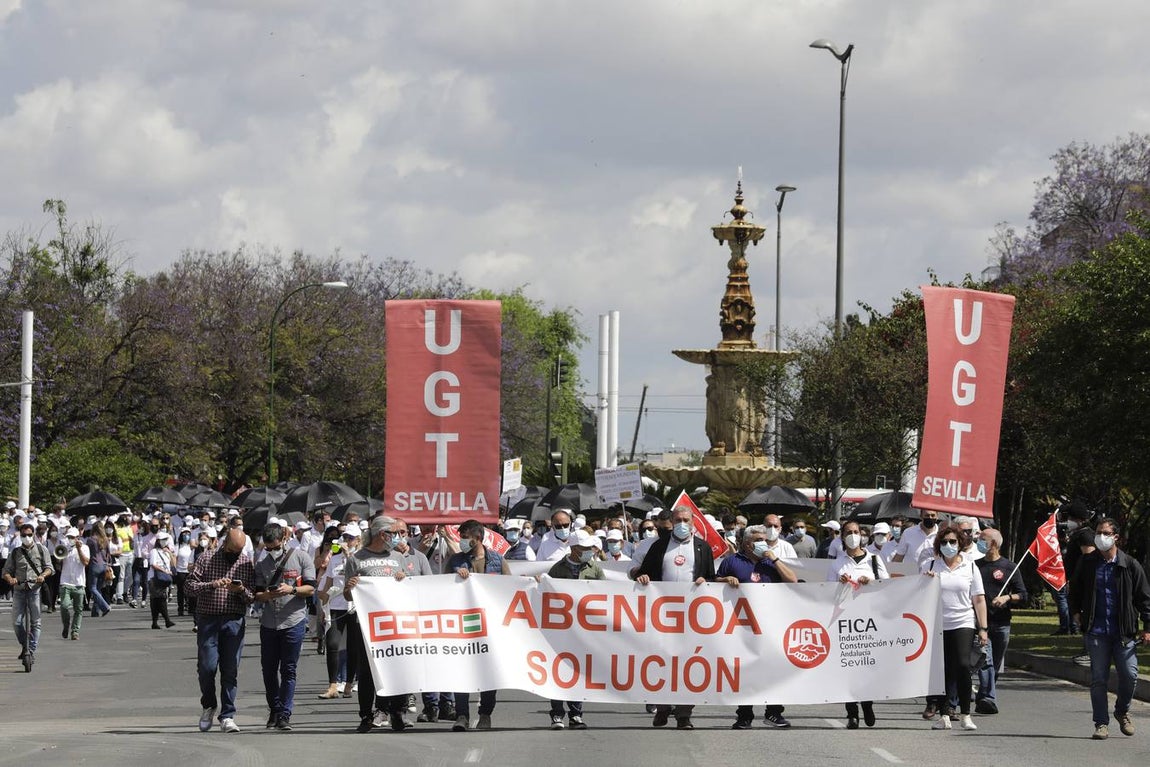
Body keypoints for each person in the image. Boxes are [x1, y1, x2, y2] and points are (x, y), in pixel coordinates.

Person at [633, 505, 716, 729]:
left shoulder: (702, 547)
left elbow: (711, 578)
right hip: (662, 615)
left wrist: (705, 582)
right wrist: (643, 578)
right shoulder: (659, 546)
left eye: (686, 520)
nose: (681, 524)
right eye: (678, 520)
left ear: (693, 523)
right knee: (661, 662)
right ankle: (662, 708)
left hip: (692, 617)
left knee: (689, 664)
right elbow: (643, 573)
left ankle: (684, 714)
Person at [1068, 517, 1150, 740]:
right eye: (1098, 532)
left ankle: (1122, 711)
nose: (1100, 537)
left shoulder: (1130, 564)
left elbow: (1144, 598)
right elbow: (1074, 588)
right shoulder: (1088, 562)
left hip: (1124, 632)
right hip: (1096, 631)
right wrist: (1075, 611)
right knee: (1099, 679)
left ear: (1116, 537)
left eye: (1105, 533)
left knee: (1130, 675)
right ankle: (1101, 723)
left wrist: (1147, 627)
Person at [718, 524, 797, 729]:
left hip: (770, 626)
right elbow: (712, 583)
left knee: (772, 669)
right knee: (745, 671)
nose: (763, 543)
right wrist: (725, 579)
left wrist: (774, 559)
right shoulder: (732, 562)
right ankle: (744, 715)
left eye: (764, 539)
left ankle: (773, 712)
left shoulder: (770, 563)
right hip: (740, 627)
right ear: (746, 544)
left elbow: (793, 580)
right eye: (758, 540)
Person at [344, 515, 417, 733]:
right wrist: (350, 586)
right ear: (381, 534)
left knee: (397, 667)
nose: (397, 537)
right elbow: (348, 596)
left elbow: (411, 588)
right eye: (393, 533)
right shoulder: (357, 558)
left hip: (395, 622)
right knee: (366, 671)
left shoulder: (398, 557)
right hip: (367, 624)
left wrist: (405, 578)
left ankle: (396, 712)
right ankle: (367, 715)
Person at [185, 527, 257, 733]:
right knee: (207, 668)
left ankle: (227, 715)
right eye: (233, 550)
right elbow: (189, 587)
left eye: (240, 550)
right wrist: (212, 584)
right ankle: (208, 704)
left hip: (233, 620)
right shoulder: (206, 558)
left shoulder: (244, 563)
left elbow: (252, 597)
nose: (236, 554)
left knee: (230, 669)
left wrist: (240, 590)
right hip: (208, 619)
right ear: (225, 544)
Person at [921, 524, 988, 731]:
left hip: (963, 621)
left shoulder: (969, 566)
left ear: (960, 544)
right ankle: (944, 714)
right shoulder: (931, 565)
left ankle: (966, 713)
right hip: (938, 623)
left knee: (962, 664)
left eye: (952, 542)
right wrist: (926, 582)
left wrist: (983, 627)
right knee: (943, 669)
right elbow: (917, 595)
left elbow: (978, 599)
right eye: (944, 542)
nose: (948, 545)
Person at [447, 519, 512, 731]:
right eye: (461, 537)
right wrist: (454, 579)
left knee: (489, 673)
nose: (462, 542)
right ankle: (462, 715)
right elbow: (441, 589)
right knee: (461, 671)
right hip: (464, 625)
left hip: (491, 627)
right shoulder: (455, 561)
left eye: (465, 538)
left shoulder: (497, 561)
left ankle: (485, 714)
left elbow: (510, 590)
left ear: (478, 538)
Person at [252, 522, 317, 731]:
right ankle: (275, 708)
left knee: (289, 668)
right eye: (267, 547)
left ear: (284, 539)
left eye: (274, 546)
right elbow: (258, 595)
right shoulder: (261, 564)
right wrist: (270, 594)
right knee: (269, 670)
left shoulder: (301, 557)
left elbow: (310, 589)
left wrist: (292, 589)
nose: (271, 550)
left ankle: (285, 713)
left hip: (294, 620)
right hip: (269, 622)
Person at [828, 520, 889, 728]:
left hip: (869, 620)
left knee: (866, 666)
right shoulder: (837, 563)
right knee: (849, 668)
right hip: (845, 621)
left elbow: (887, 586)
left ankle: (868, 703)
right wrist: (839, 583)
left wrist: (870, 582)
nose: (853, 535)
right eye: (849, 532)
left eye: (856, 532)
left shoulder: (874, 560)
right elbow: (825, 591)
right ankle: (851, 713)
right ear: (842, 536)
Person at [542, 528, 602, 729]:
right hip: (561, 629)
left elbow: (606, 596)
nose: (589, 551)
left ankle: (576, 714)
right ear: (574, 548)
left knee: (578, 671)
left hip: (584, 630)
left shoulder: (595, 569)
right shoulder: (558, 569)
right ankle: (557, 714)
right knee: (558, 670)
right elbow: (547, 595)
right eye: (585, 548)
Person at [974, 527, 1028, 715]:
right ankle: (989, 698)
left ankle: (983, 696)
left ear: (994, 544)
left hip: (1002, 623)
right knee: (985, 660)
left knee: (995, 665)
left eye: (982, 539)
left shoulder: (1010, 567)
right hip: (981, 624)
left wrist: (1007, 598)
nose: (978, 542)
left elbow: (1023, 595)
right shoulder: (975, 566)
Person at [317, 526, 360, 700]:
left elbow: (360, 574)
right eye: (345, 537)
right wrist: (323, 606)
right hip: (336, 605)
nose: (347, 541)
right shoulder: (334, 559)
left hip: (355, 606)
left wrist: (349, 555)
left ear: (358, 540)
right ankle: (333, 685)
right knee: (333, 643)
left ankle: (349, 682)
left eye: (351, 538)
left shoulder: (362, 557)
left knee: (353, 647)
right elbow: (326, 585)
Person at [3, 521, 53, 669]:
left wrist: (43, 576)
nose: (27, 537)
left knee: (36, 622)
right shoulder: (15, 553)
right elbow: (5, 571)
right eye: (24, 535)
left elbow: (49, 568)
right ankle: (24, 645)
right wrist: (10, 579)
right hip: (19, 589)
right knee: (17, 622)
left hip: (34, 589)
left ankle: (30, 650)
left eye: (29, 535)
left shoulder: (41, 549)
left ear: (34, 535)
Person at [57, 526, 91, 640]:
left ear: (77, 537)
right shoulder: (65, 548)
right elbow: (58, 562)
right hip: (65, 581)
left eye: (72, 537)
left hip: (79, 583)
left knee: (78, 609)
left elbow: (86, 562)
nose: (70, 539)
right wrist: (61, 556)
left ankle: (75, 631)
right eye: (69, 537)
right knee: (64, 606)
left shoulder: (85, 547)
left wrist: (79, 549)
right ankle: (66, 625)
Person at [149, 531, 177, 629]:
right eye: (163, 540)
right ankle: (166, 620)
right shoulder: (154, 551)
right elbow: (153, 564)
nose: (165, 542)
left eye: (166, 540)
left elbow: (173, 564)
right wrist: (165, 571)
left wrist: (169, 552)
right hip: (154, 578)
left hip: (164, 579)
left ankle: (156, 622)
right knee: (159, 599)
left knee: (158, 600)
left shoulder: (166, 552)